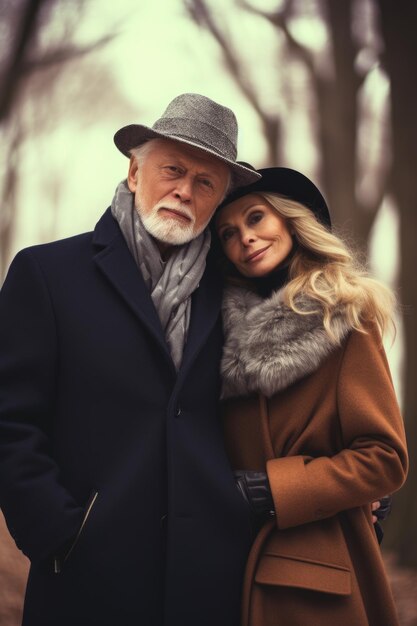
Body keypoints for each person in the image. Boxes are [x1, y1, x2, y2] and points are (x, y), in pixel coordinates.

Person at [0, 93, 261, 626]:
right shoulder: (47, 275)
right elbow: (8, 422)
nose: (185, 190)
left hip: (209, 587)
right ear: (135, 171)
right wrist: (57, 534)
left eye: (206, 182)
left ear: (218, 202)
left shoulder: (236, 294)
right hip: (83, 582)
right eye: (173, 169)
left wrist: (354, 499)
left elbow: (277, 413)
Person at [214, 167, 408, 626]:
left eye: (256, 218)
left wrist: (278, 489)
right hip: (225, 562)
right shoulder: (212, 333)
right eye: (227, 233)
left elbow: (384, 458)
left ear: (289, 220)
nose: (245, 237)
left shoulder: (344, 317)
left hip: (316, 571)